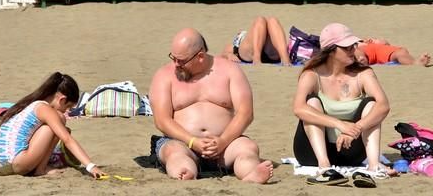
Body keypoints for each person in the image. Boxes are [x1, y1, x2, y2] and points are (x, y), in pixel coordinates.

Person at [148, 28, 273, 183]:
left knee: (247, 148)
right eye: (173, 58)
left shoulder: (229, 70)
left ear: (200, 56)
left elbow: (245, 113)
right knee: (174, 153)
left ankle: (251, 174)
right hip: (182, 143)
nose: (175, 64)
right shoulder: (164, 75)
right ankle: (185, 173)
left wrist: (223, 141)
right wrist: (193, 141)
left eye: (181, 60)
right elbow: (162, 120)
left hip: (225, 145)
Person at [292, 23, 395, 181]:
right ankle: (324, 165)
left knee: (372, 105)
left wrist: (354, 129)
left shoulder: (363, 73)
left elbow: (384, 106)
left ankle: (374, 165)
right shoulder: (312, 75)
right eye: (347, 47)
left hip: (351, 150)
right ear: (331, 50)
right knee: (311, 103)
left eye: (354, 45)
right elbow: (298, 109)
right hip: (311, 152)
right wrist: (339, 124)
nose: (353, 50)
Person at [0, 72, 104, 178]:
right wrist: (91, 166)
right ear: (62, 99)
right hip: (17, 163)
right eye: (68, 107)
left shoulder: (32, 104)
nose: (66, 111)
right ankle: (41, 169)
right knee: (58, 121)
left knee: (55, 123)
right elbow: (67, 139)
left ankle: (40, 166)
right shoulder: (44, 109)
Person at [221, 16, 292, 65]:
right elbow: (224, 53)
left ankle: (257, 57)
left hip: (256, 51)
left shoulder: (243, 36)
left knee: (269, 20)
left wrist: (227, 54)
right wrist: (228, 55)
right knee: (263, 20)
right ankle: (285, 57)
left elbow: (226, 51)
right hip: (262, 52)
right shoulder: (243, 36)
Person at [355, 37, 431, 67]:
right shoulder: (357, 45)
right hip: (380, 54)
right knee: (400, 53)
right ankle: (416, 62)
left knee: (400, 53)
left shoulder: (382, 47)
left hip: (386, 53)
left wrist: (373, 41)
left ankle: (415, 62)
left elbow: (385, 43)